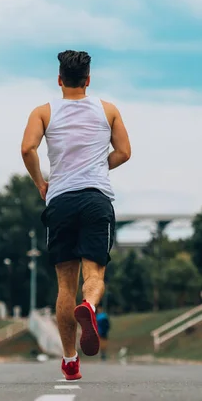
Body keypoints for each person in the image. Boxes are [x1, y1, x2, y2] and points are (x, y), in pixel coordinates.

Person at [21, 50, 131, 380]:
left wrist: (41, 182)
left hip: (61, 202)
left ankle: (70, 360)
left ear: (59, 80)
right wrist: (98, 165)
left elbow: (27, 149)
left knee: (65, 285)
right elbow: (124, 152)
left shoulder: (43, 112)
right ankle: (91, 307)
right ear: (88, 80)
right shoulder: (108, 110)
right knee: (93, 275)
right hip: (96, 199)